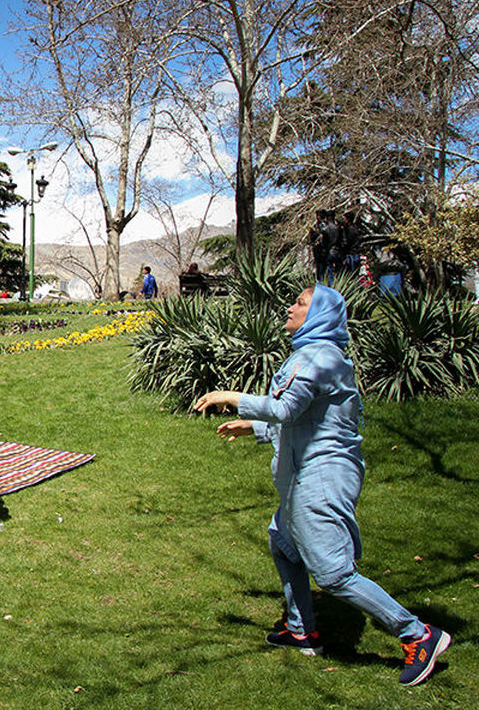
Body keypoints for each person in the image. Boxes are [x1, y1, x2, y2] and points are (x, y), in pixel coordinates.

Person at [192, 285, 451, 687]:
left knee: (334, 575)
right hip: (306, 474)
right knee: (282, 540)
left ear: (320, 316)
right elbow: (309, 418)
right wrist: (255, 427)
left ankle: (417, 634)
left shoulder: (317, 357)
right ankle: (301, 630)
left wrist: (231, 397)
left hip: (322, 477)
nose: (291, 308)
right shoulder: (316, 355)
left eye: (300, 303)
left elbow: (286, 408)